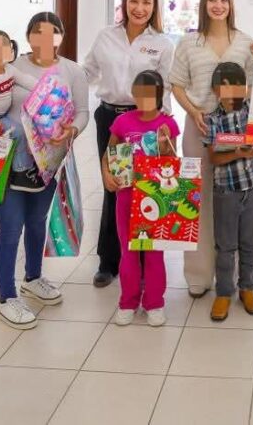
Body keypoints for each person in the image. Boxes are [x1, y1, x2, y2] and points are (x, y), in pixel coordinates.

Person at [0, 15, 89, 329]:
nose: (45, 40)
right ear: (28, 35)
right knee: (10, 228)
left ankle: (32, 278)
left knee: (37, 221)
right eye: (38, 33)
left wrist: (72, 130)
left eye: (52, 33)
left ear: (61, 36)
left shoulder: (73, 71)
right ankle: (6, 298)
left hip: (47, 162)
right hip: (11, 160)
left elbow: (83, 112)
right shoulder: (11, 67)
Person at [84, 0, 174, 288]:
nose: (139, 8)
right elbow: (88, 72)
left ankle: (142, 261)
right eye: (134, 1)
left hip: (144, 121)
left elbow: (166, 85)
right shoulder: (106, 36)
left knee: (144, 189)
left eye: (147, 2)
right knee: (115, 186)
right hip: (112, 120)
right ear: (124, 3)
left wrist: (165, 123)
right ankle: (108, 262)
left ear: (154, 7)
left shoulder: (162, 43)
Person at [170, 0, 253, 299]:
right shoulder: (188, 43)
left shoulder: (245, 43)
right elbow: (177, 84)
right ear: (203, 5)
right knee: (197, 199)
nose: (218, 5)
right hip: (199, 127)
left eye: (223, 0)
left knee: (231, 201)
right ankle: (198, 273)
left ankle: (230, 273)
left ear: (231, 4)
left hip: (233, 128)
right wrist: (193, 111)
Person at [101, 71, 179, 327]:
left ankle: (155, 302)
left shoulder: (167, 124)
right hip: (126, 196)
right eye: (139, 94)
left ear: (159, 96)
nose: (144, 100)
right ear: (133, 94)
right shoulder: (122, 122)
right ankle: (128, 302)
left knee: (154, 252)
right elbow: (109, 154)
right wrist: (106, 174)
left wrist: (165, 144)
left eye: (150, 95)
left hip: (155, 198)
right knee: (129, 251)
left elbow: (172, 162)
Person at [201, 62, 253, 321]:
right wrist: (237, 152)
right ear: (215, 90)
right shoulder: (212, 119)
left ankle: (247, 287)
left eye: (236, 87)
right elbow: (213, 158)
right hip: (226, 191)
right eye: (224, 87)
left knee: (250, 242)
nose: (231, 94)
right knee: (225, 245)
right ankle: (224, 292)